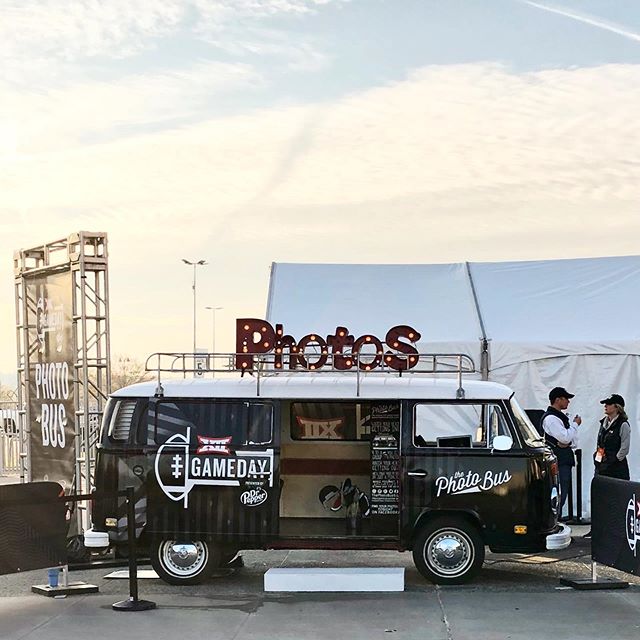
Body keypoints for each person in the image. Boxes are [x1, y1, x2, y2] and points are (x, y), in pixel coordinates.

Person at [541, 387, 581, 519]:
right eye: (566, 399)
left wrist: (567, 441)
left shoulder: (560, 418)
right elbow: (565, 437)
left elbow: (571, 441)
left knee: (562, 490)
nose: (568, 402)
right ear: (557, 400)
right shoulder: (552, 418)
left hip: (563, 459)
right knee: (559, 491)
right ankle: (553, 519)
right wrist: (575, 425)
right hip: (559, 460)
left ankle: (556, 518)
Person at [594, 394, 631, 480]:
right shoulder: (603, 423)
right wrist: (598, 462)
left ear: (617, 407)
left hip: (617, 469)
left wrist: (614, 461)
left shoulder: (623, 424)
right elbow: (600, 445)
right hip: (603, 468)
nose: (605, 406)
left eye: (609, 404)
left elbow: (624, 448)